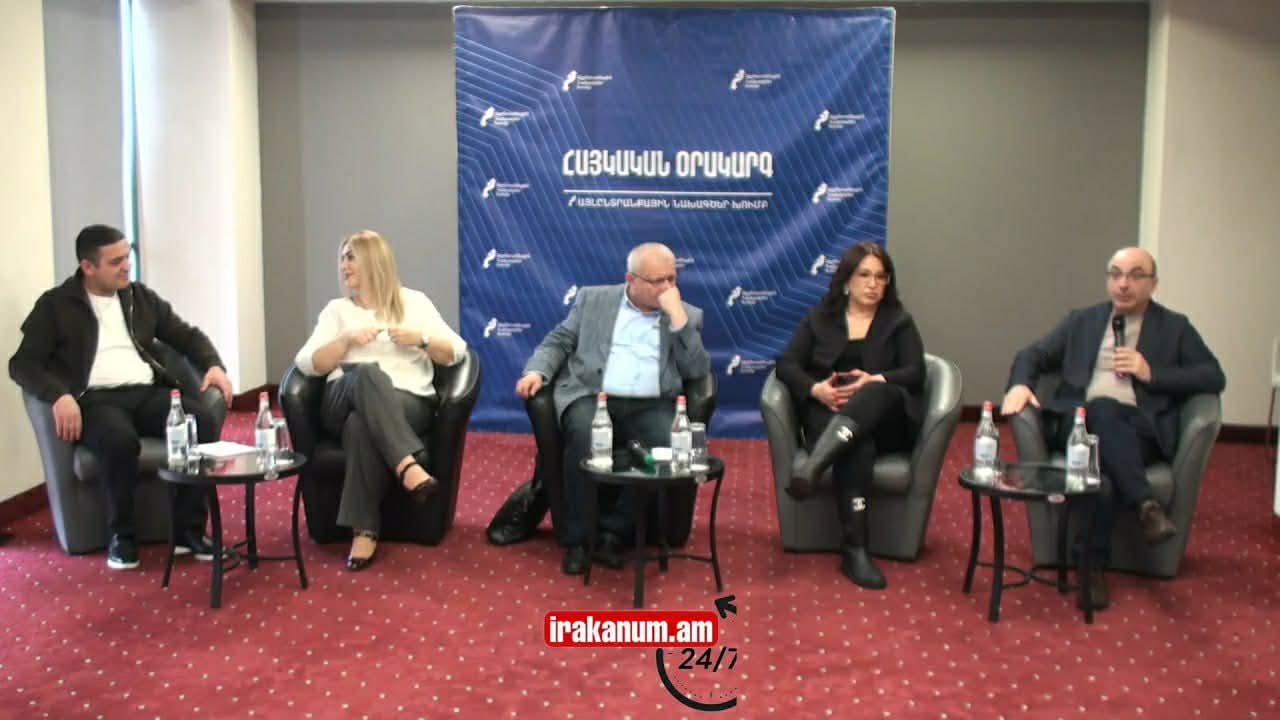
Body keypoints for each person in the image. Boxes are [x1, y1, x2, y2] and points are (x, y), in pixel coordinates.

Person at [1001, 246, 1225, 610]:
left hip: (1140, 429)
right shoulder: (1082, 320)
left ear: (1153, 283)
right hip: (1077, 422)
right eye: (1116, 274)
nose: (1123, 284)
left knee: (1101, 474)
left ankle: (1090, 568)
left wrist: (1152, 373)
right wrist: (1020, 385)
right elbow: (1032, 355)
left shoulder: (1175, 328)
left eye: (1136, 275)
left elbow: (1213, 375)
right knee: (1102, 409)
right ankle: (1145, 505)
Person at [9, 224, 234, 569]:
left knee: (199, 421)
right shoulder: (56, 306)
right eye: (116, 262)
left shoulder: (139, 298)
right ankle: (123, 536)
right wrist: (58, 396)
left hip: (146, 393)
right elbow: (22, 364)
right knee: (119, 441)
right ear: (88, 266)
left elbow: (186, 336)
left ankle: (189, 530)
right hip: (95, 400)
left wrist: (213, 365)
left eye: (127, 257)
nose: (127, 266)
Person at [515, 242, 711, 576]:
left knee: (667, 445)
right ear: (631, 280)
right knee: (583, 436)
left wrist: (678, 320)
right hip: (593, 396)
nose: (667, 288)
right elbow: (559, 340)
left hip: (652, 403)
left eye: (672, 279)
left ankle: (612, 533)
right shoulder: (593, 300)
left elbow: (696, 371)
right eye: (658, 281)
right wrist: (537, 371)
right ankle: (579, 540)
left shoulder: (687, 315)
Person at [294, 230, 467, 571]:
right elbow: (308, 363)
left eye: (351, 257)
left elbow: (455, 352)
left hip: (407, 401)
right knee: (367, 373)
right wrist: (345, 341)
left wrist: (422, 339)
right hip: (341, 398)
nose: (343, 266)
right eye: (342, 258)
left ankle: (364, 531)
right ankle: (407, 466)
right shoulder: (337, 311)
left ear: (374, 261)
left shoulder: (414, 303)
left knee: (361, 425)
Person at [778, 242, 925, 590]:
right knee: (857, 446)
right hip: (831, 413)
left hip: (885, 419)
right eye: (865, 275)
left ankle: (813, 467)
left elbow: (916, 372)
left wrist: (875, 379)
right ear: (847, 280)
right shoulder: (821, 317)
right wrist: (816, 390)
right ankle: (855, 549)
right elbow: (786, 364)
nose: (873, 284)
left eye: (881, 277)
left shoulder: (898, 322)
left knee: (872, 391)